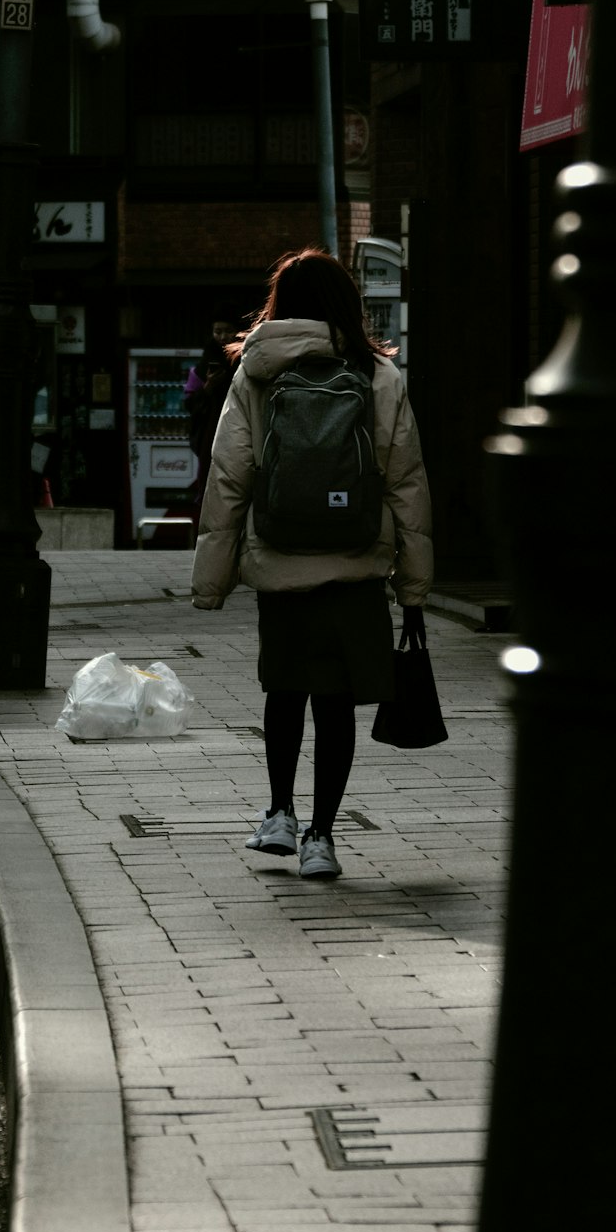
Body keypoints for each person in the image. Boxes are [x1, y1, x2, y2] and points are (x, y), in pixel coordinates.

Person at [190, 247, 433, 880]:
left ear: (280, 306)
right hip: (356, 564)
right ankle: (323, 837)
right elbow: (407, 483)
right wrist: (414, 584)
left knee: (284, 689)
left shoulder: (255, 374)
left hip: (281, 557)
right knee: (335, 702)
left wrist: (211, 579)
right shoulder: (380, 377)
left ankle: (278, 813)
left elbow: (229, 477)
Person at [184, 314, 236, 528]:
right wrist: (208, 387)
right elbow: (190, 403)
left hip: (236, 430)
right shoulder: (202, 367)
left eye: (227, 331)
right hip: (210, 433)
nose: (222, 337)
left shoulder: (246, 362)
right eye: (217, 331)